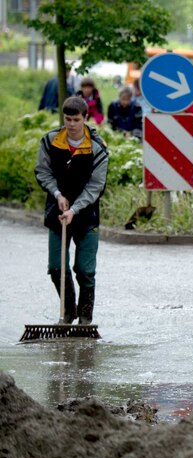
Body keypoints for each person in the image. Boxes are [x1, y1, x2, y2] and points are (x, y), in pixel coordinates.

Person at [34, 96, 109, 325]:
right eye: (67, 119)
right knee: (56, 267)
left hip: (86, 217)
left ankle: (85, 317)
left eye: (76, 120)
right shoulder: (50, 141)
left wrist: (75, 209)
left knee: (85, 270)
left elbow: (96, 187)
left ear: (85, 118)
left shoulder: (97, 150)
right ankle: (68, 313)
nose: (71, 124)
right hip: (57, 212)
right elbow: (42, 171)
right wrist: (57, 194)